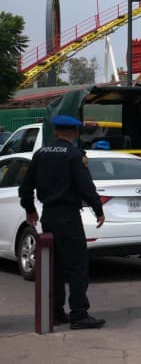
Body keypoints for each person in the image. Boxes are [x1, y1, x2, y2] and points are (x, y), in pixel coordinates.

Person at [18, 115, 106, 329]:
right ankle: (79, 314)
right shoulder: (75, 155)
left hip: (48, 215)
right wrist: (98, 209)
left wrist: (30, 209)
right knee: (77, 266)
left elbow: (25, 187)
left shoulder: (40, 154)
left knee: (54, 266)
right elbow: (86, 187)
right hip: (68, 216)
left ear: (56, 132)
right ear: (75, 133)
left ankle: (56, 312)